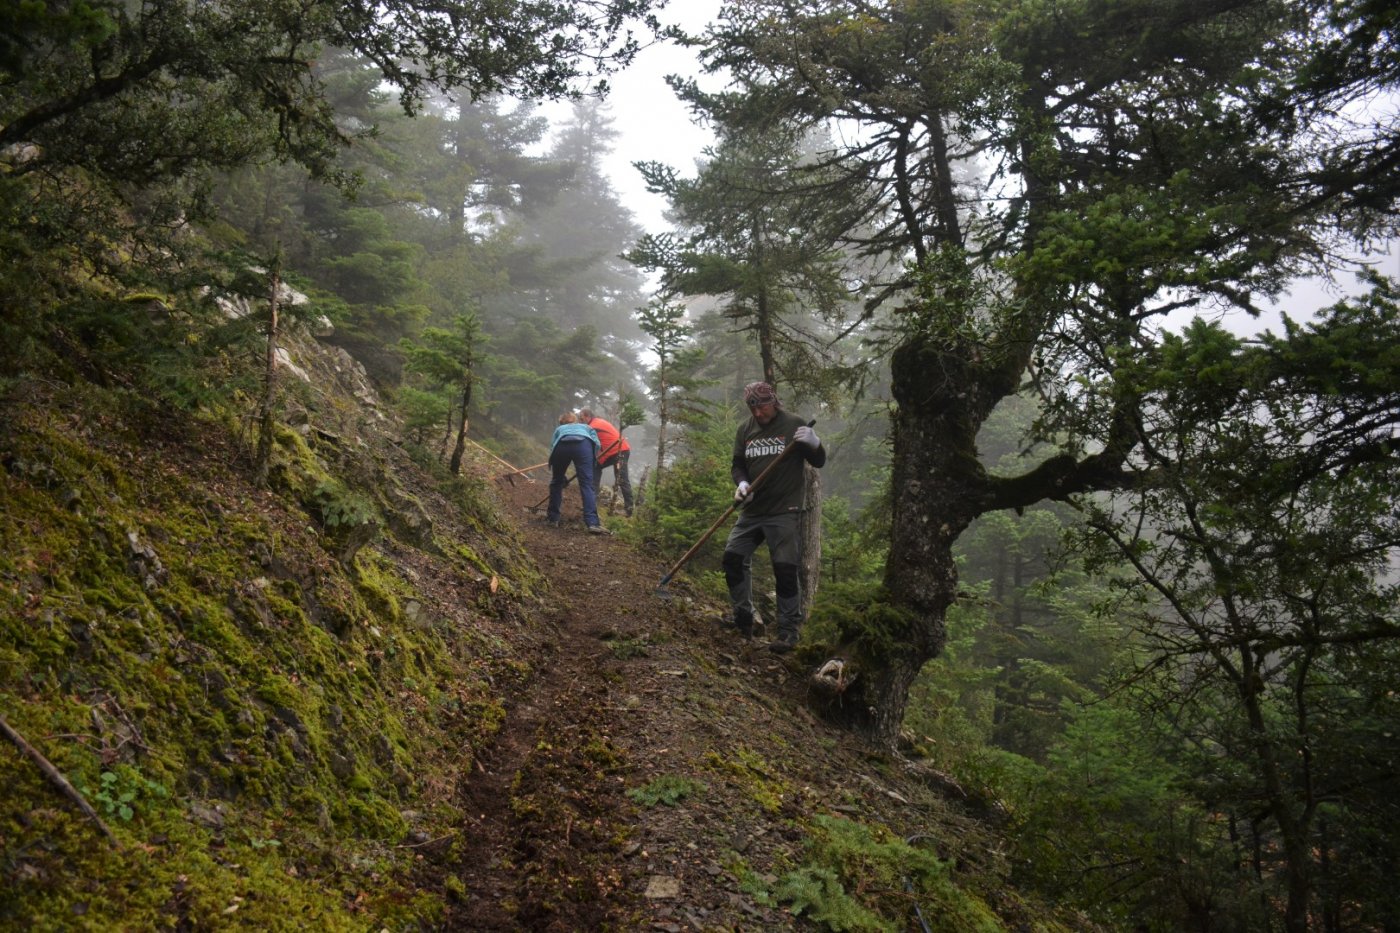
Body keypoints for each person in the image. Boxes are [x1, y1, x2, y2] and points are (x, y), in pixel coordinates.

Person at [723, 381, 825, 654]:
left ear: (774, 401)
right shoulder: (745, 430)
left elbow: (818, 461)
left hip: (784, 510)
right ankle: (744, 618)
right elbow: (738, 465)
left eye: (762, 406)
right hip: (752, 511)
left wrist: (815, 444)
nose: (758, 413)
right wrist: (742, 484)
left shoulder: (793, 424)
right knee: (733, 558)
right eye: (752, 408)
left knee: (784, 568)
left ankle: (788, 632)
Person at [546, 413, 609, 534]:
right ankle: (593, 523)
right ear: (575, 421)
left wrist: (559, 475)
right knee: (586, 485)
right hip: (583, 447)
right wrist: (591, 459)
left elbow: (553, 447)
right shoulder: (586, 427)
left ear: (562, 423)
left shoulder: (559, 429)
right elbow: (597, 443)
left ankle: (553, 519)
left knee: (556, 482)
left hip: (561, 446)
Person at [577, 407, 634, 517]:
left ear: (587, 416)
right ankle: (591, 504)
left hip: (619, 451)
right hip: (611, 452)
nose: (580, 420)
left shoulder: (592, 426)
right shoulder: (596, 422)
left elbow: (585, 444)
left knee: (621, 479)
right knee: (595, 469)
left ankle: (628, 510)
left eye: (581, 418)